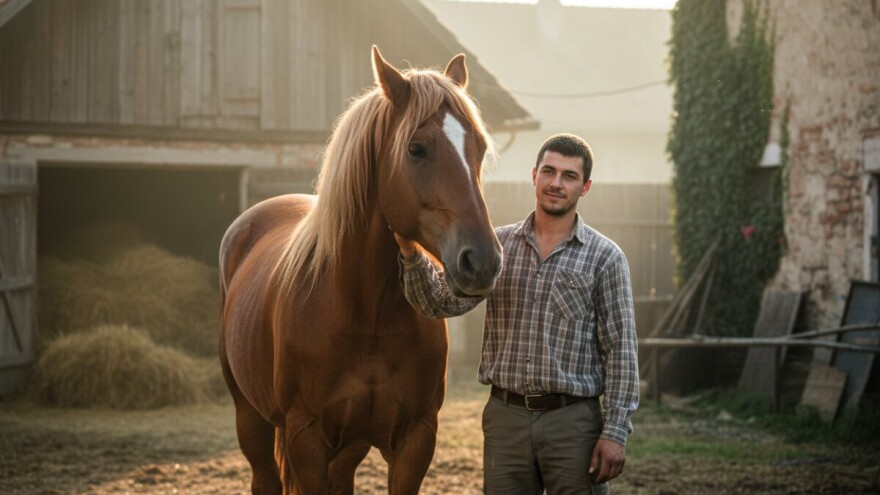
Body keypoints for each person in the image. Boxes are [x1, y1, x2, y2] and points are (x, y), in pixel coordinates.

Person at [395, 133, 639, 494]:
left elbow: (620, 351)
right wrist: (409, 252)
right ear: (534, 175)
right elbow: (439, 303)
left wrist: (615, 433)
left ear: (585, 187)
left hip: (573, 423)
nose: (556, 183)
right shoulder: (499, 249)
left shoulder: (606, 258)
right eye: (549, 171)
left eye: (569, 176)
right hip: (505, 420)